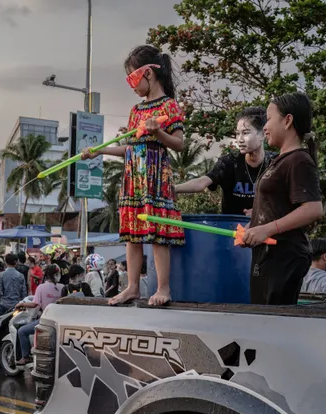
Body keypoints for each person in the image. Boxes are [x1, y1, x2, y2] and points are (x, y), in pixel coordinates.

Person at [82, 45, 185, 306]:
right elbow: (129, 146)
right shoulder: (136, 111)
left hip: (155, 176)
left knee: (158, 233)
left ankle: (163, 288)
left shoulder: (169, 106)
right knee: (132, 234)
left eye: (132, 78)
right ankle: (132, 286)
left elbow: (179, 143)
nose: (131, 85)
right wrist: (99, 150)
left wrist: (157, 133)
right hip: (133, 177)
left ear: (148, 73)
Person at [242, 92, 323, 305]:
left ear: (288, 120)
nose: (265, 126)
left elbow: (313, 209)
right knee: (261, 322)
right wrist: (254, 226)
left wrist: (265, 229)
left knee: (271, 326)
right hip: (267, 254)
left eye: (269, 119)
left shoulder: (298, 160)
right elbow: (279, 205)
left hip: (283, 256)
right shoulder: (280, 160)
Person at [175, 107, 276, 216]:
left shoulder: (275, 163)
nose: (240, 139)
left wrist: (260, 213)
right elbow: (202, 182)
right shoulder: (229, 162)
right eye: (237, 133)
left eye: (246, 133)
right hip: (229, 227)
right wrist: (175, 188)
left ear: (262, 135)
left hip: (265, 227)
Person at [14, 264, 62, 365]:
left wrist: (22, 304)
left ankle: (26, 357)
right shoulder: (62, 287)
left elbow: (34, 304)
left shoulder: (41, 287)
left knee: (22, 331)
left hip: (46, 321)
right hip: (60, 321)